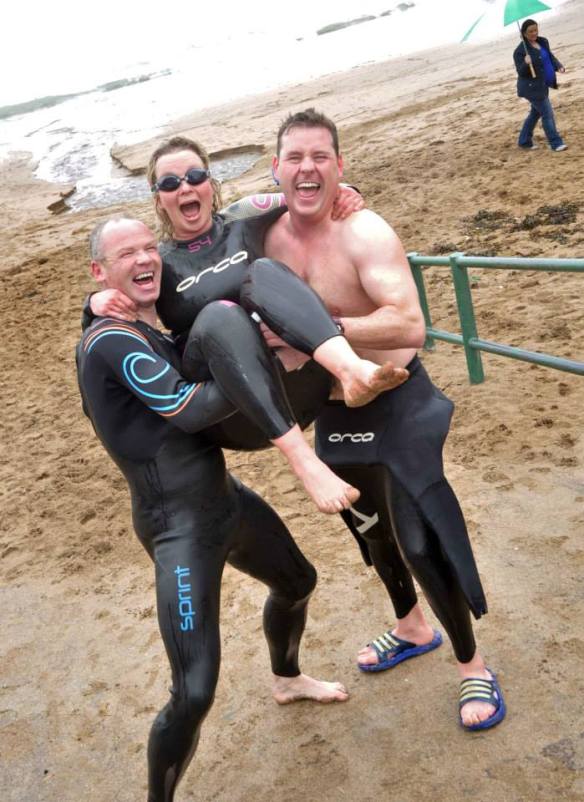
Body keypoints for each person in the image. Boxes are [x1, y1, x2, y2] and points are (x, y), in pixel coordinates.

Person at [77, 216, 351, 802]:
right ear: (101, 271)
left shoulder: (149, 326)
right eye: (127, 254)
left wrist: (257, 352)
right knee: (194, 692)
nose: (145, 258)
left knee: (298, 581)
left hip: (224, 502)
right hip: (177, 531)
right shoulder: (109, 339)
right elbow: (190, 409)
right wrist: (262, 365)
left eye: (151, 247)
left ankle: (287, 678)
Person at [261, 108, 506, 731]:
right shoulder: (262, 235)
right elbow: (204, 235)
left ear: (341, 167)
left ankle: (472, 664)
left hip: (395, 397)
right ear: (276, 169)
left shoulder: (363, 231)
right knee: (372, 534)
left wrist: (323, 329)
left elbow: (409, 323)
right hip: (334, 412)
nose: (308, 168)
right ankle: (412, 626)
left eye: (321, 157)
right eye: (295, 158)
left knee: (421, 539)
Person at [86, 136, 409, 514]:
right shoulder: (157, 261)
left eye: (194, 176)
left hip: (302, 388)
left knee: (265, 269)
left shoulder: (246, 216)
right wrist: (92, 304)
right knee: (220, 313)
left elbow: (307, 195)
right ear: (159, 198)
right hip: (234, 416)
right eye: (170, 183)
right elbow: (122, 297)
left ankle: (350, 371)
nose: (185, 187)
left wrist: (345, 191)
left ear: (210, 183)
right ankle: (303, 462)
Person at [514, 18, 567, 152]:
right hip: (531, 88)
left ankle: (524, 141)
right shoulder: (520, 51)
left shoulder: (543, 41)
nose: (534, 33)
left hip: (542, 84)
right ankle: (555, 143)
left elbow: (549, 56)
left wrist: (558, 66)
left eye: (535, 30)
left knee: (535, 113)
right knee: (547, 114)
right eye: (530, 31)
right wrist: (526, 63)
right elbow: (521, 72)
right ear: (524, 34)